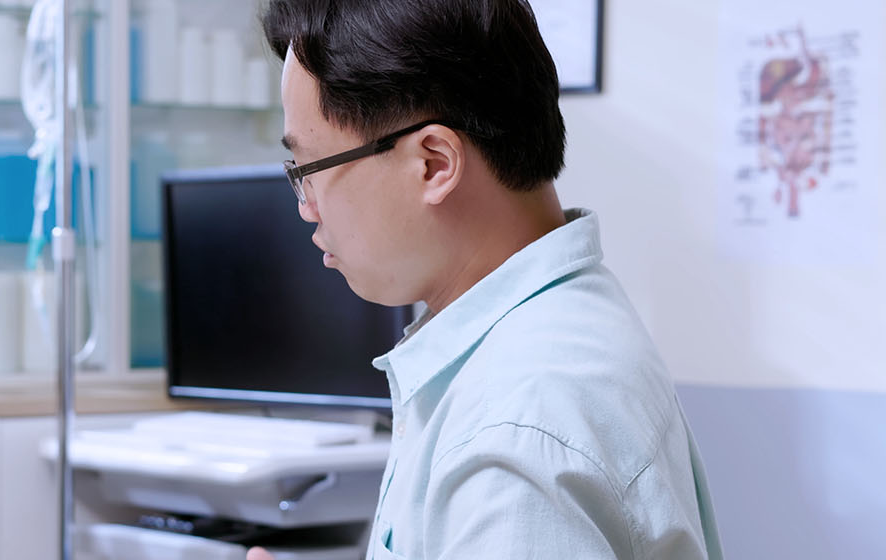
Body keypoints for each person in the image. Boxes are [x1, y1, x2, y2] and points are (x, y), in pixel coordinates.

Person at [249, 1, 723, 558]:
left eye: (309, 170)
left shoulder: (513, 434)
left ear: (434, 164)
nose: (306, 208)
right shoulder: (559, 329)